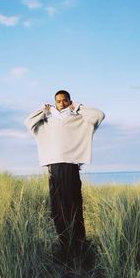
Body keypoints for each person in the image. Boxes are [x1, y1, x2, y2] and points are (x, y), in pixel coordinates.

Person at [25, 90, 105, 265]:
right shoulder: (47, 120)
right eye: (58, 101)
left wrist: (78, 107)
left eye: (64, 100)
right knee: (57, 209)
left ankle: (79, 245)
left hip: (71, 166)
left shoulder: (78, 118)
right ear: (54, 102)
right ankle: (64, 245)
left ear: (69, 101)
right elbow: (28, 122)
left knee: (74, 206)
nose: (61, 103)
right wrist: (43, 111)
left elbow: (99, 115)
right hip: (53, 167)